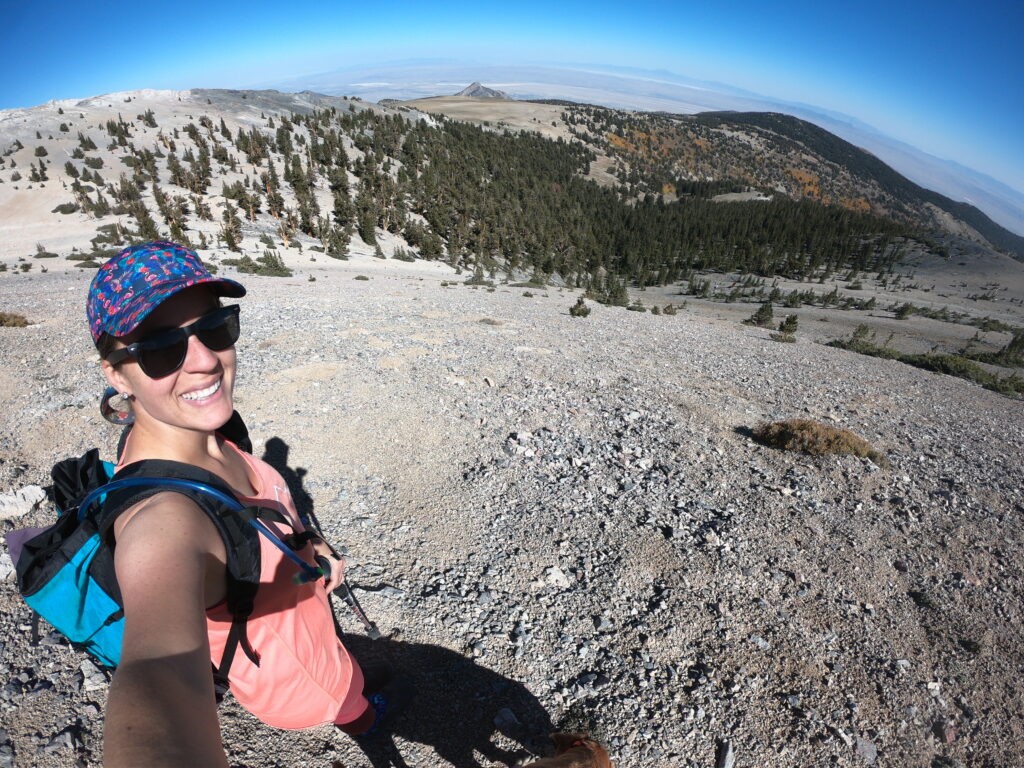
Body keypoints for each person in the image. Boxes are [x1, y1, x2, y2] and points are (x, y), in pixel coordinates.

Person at [87, 242, 390, 767]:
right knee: (344, 696)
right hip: (296, 677)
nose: (205, 361)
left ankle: (364, 713)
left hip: (309, 631)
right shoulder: (164, 520)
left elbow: (261, 517)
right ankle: (367, 720)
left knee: (350, 684)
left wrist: (307, 543)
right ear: (116, 374)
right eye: (161, 348)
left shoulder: (206, 431)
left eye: (215, 327)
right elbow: (158, 671)